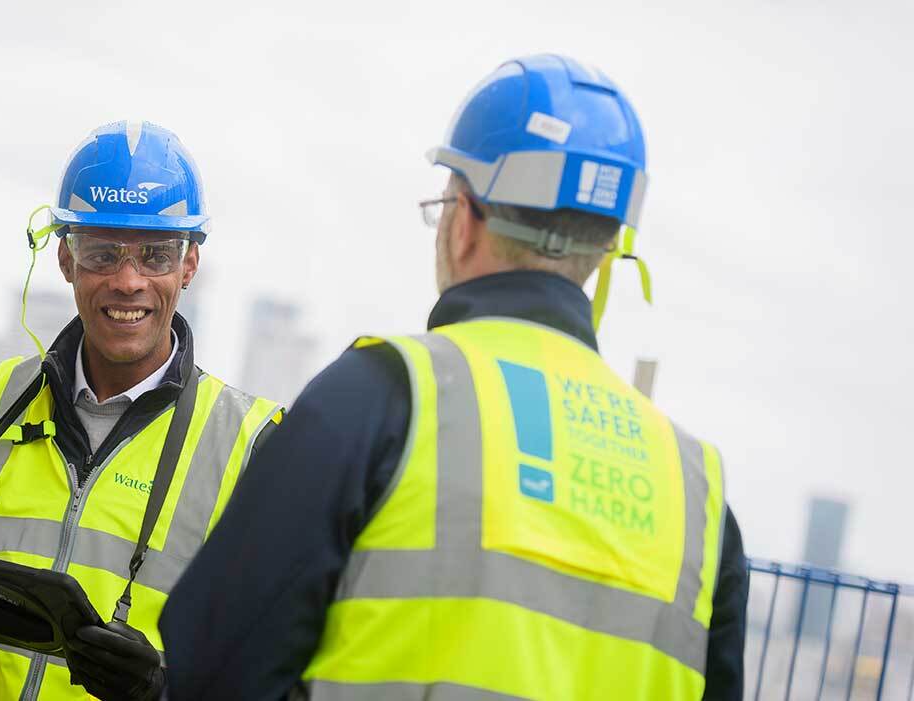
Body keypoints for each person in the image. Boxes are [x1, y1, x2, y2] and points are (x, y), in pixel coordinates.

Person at [160, 55, 749, 700]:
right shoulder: (698, 494)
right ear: (606, 251)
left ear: (464, 219)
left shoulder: (379, 399)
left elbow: (211, 669)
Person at [0, 120, 284, 701]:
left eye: (156, 255)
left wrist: (162, 689)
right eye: (103, 253)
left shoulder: (249, 446)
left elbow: (277, 667)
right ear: (66, 259)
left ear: (190, 267)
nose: (128, 280)